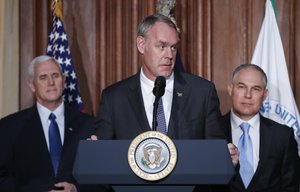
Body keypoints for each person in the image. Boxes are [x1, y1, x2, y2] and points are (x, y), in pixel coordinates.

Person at [92, 13, 238, 172]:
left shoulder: (202, 92)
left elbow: (216, 153)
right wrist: (94, 152)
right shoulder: (114, 98)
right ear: (141, 44)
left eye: (173, 47)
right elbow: (102, 160)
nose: (169, 55)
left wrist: (226, 160)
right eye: (162, 46)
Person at [0, 55, 110, 192]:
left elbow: (105, 177)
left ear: (63, 81)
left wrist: (76, 189)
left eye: (55, 76)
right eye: (43, 77)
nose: (51, 82)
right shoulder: (9, 127)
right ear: (31, 85)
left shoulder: (90, 125)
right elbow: (2, 178)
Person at [219, 64, 299, 191]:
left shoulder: (283, 136)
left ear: (265, 94)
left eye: (256, 89)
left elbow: (291, 187)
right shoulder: (211, 131)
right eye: (241, 87)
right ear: (230, 89)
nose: (248, 95)